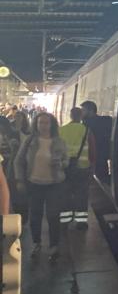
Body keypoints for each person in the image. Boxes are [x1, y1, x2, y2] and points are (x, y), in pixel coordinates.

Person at [14, 112, 68, 261]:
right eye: (40, 123)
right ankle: (37, 243)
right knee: (35, 216)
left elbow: (66, 161)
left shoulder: (59, 142)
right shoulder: (30, 141)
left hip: (54, 184)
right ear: (36, 124)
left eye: (46, 123)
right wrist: (19, 180)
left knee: (52, 215)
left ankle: (54, 246)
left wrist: (61, 164)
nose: (43, 126)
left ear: (52, 125)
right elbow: (18, 161)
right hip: (34, 184)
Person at [59, 107, 94, 230]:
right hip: (82, 168)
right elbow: (92, 150)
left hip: (65, 168)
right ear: (81, 117)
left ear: (70, 115)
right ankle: (81, 222)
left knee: (64, 194)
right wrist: (92, 167)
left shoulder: (62, 130)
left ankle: (64, 221)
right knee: (82, 195)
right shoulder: (87, 130)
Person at [81, 101, 112, 185]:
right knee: (102, 174)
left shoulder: (86, 124)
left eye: (83, 110)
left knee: (99, 176)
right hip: (105, 152)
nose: (82, 113)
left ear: (91, 111)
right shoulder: (106, 120)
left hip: (95, 153)